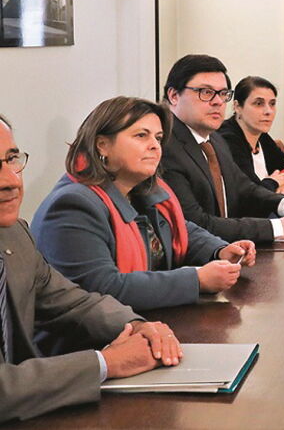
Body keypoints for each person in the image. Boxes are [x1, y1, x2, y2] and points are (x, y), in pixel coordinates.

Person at [0, 114, 182, 423]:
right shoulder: (74, 201)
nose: (12, 180)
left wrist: (138, 326)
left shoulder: (14, 232)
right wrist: (106, 363)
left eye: (11, 159)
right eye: (141, 135)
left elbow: (74, 302)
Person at [31, 97, 257, 312]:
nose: (155, 146)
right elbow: (104, 289)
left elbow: (179, 229)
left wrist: (219, 250)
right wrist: (196, 280)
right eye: (141, 136)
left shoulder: (140, 190)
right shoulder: (72, 206)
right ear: (102, 145)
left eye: (158, 138)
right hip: (88, 344)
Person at [160, 55, 284, 243]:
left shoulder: (214, 140)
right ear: (174, 96)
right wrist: (279, 227)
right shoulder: (164, 147)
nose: (218, 101)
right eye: (206, 92)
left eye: (223, 93)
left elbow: (244, 189)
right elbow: (196, 224)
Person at [218, 76, 284, 194]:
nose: (268, 111)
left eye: (272, 104)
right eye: (259, 103)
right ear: (237, 107)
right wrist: (274, 183)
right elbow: (249, 192)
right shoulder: (227, 139)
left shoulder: (260, 135)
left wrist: (281, 185)